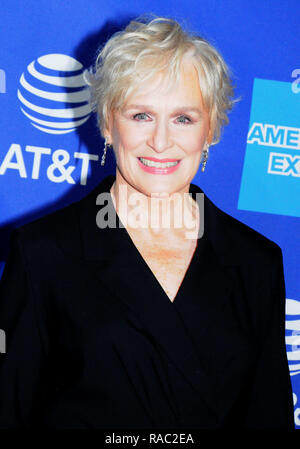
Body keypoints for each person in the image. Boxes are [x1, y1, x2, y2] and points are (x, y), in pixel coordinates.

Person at [0, 15, 294, 429]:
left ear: (210, 130)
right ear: (107, 124)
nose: (160, 141)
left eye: (183, 118)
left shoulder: (256, 262)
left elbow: (270, 418)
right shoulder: (43, 253)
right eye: (140, 115)